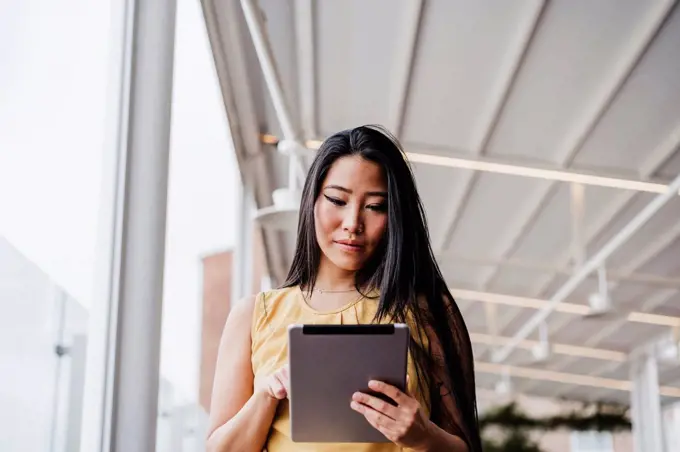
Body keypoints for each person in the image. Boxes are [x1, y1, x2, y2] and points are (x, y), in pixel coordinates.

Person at [206, 125, 482, 452]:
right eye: (337, 199)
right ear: (311, 200)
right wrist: (266, 395)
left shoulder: (428, 311)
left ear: (395, 216)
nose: (353, 222)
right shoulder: (255, 315)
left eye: (376, 206)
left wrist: (422, 435)